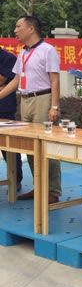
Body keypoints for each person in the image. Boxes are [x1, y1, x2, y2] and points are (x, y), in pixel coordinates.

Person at [0, 16, 61, 204]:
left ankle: (52, 190)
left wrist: (54, 106)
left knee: (46, 146)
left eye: (18, 26)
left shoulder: (48, 50)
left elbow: (55, 80)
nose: (15, 30)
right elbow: (16, 80)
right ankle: (39, 186)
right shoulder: (23, 52)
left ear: (31, 29)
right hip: (25, 101)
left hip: (43, 99)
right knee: (31, 147)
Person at [0, 48, 23, 191]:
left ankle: (15, 179)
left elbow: (2, 79)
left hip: (4, 108)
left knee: (9, 148)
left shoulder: (8, 58)